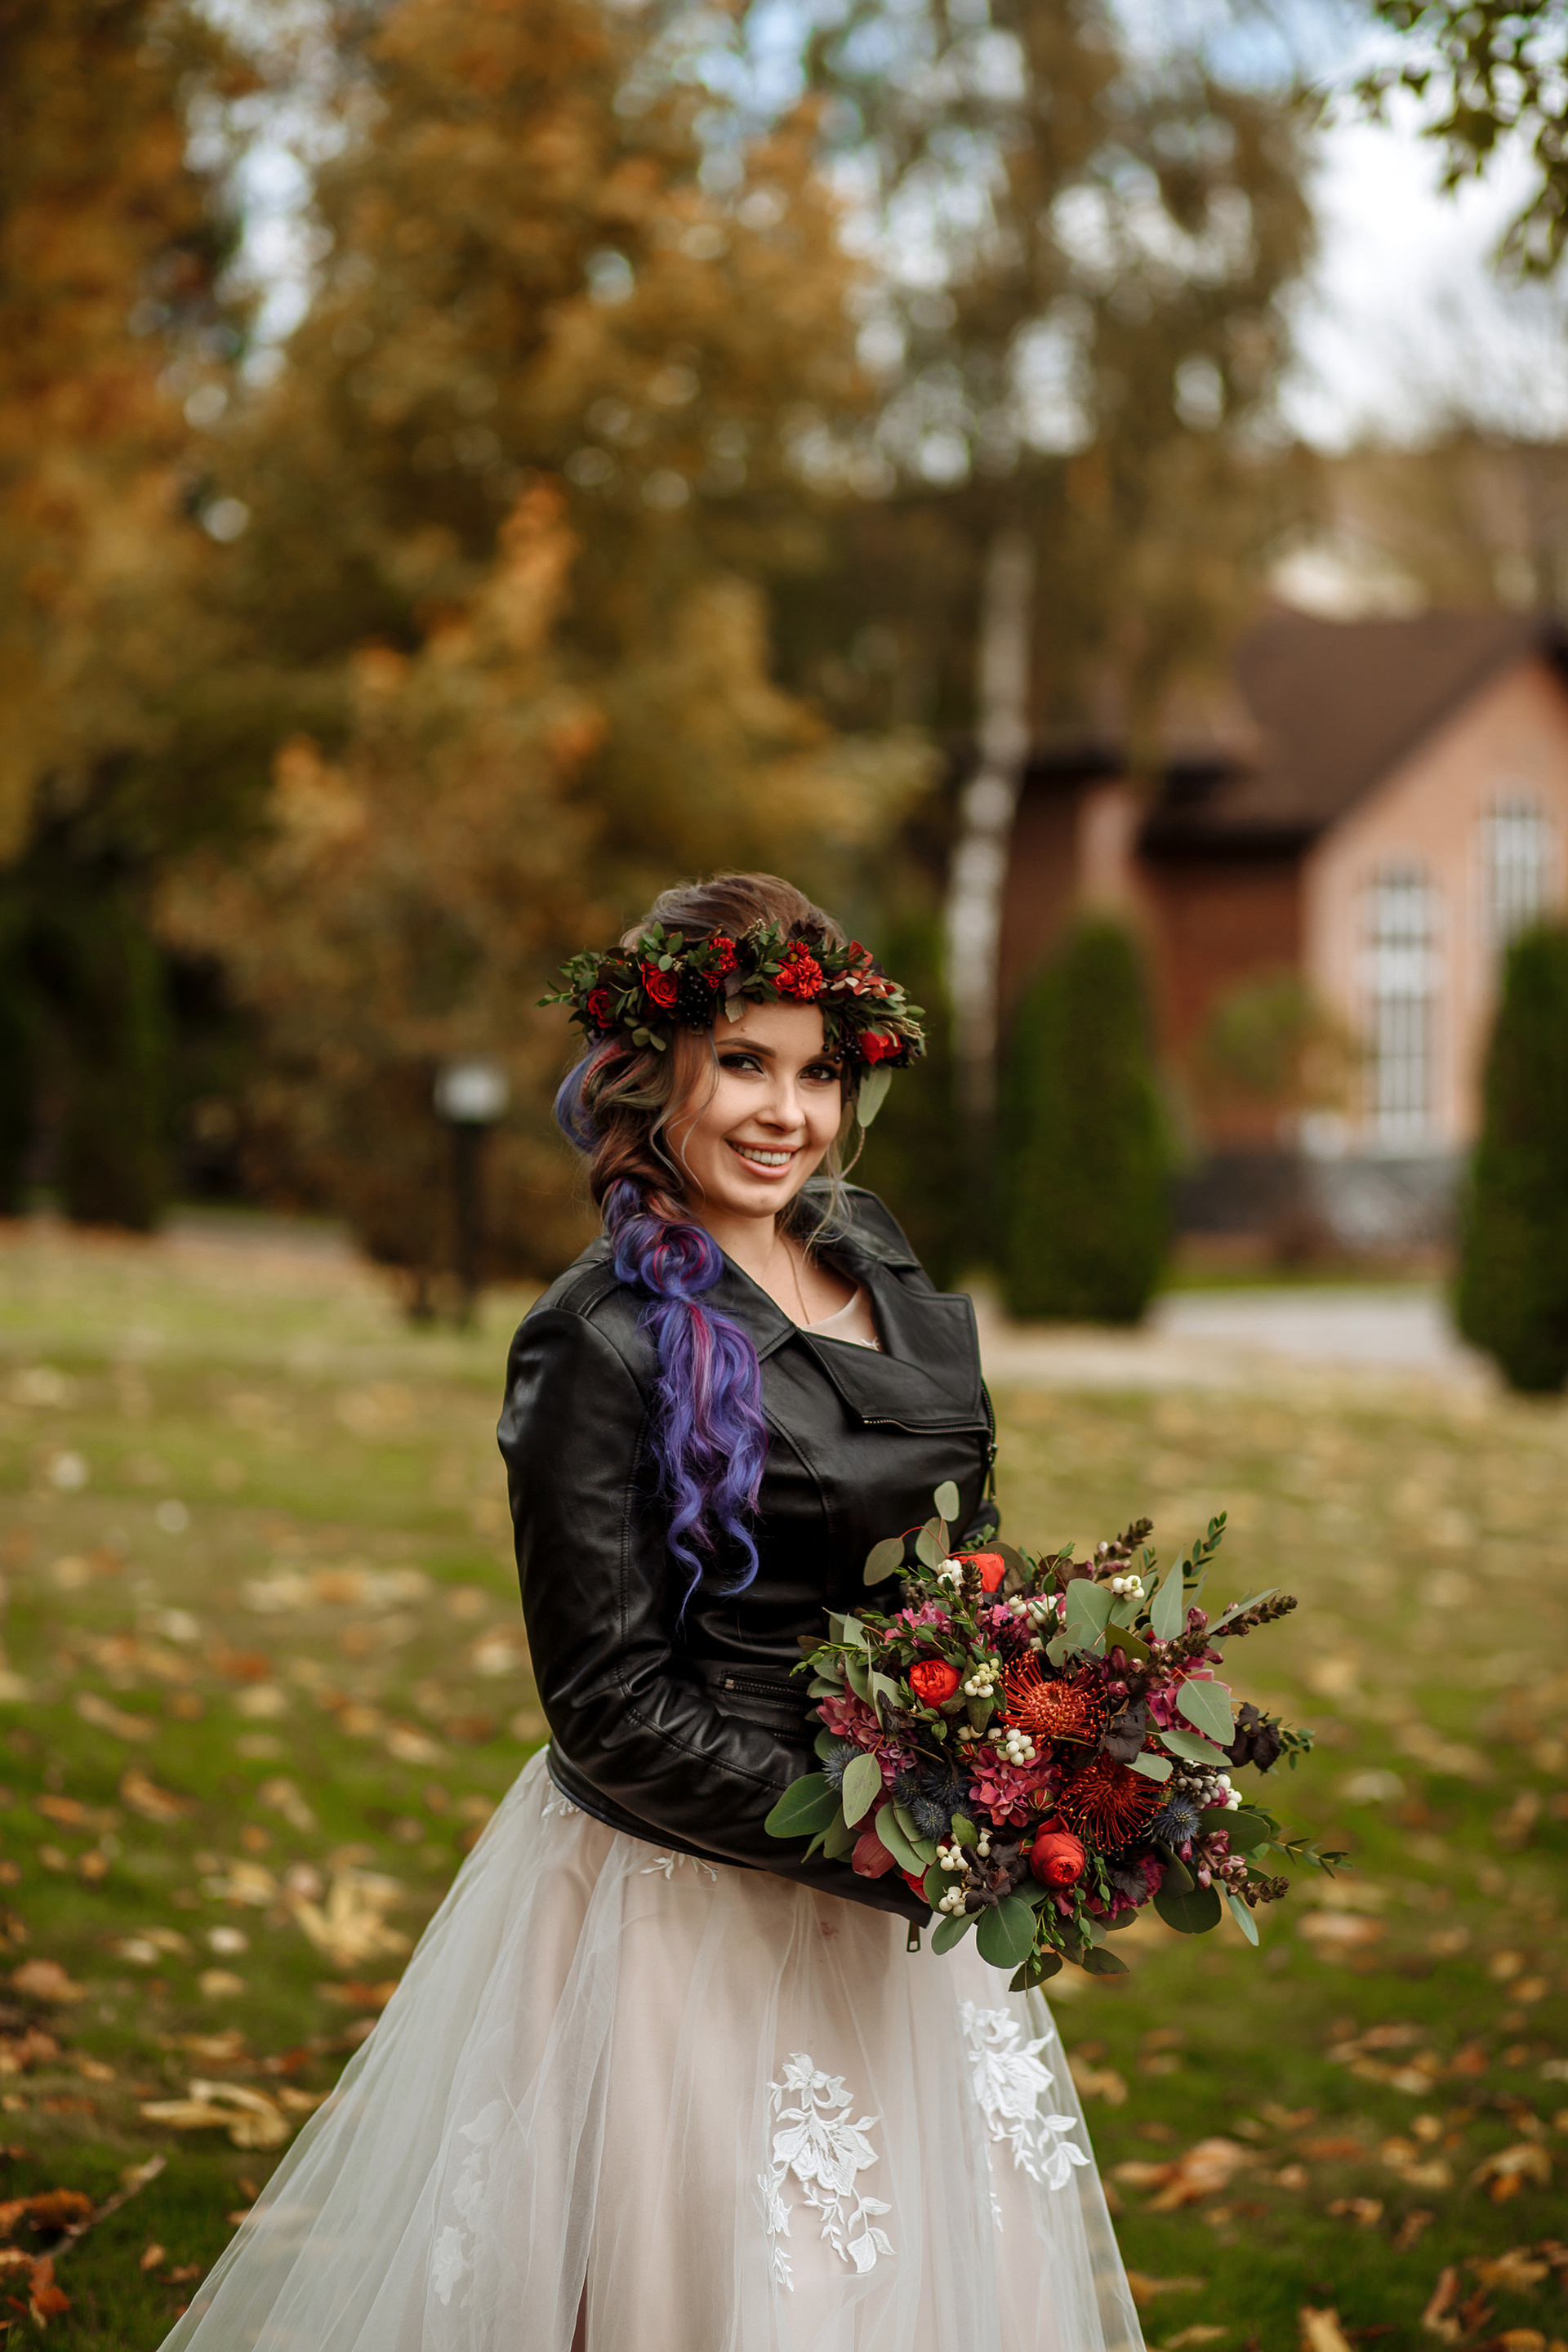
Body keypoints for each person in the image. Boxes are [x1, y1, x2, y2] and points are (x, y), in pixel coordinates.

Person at [160, 873, 1143, 2352]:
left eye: (818, 1073)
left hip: (905, 1893)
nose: (786, 1114)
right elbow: (608, 1704)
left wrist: (1035, 1743)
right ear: (652, 1071)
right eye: (743, 1062)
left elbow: (964, 1558)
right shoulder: (600, 1335)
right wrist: (879, 1835)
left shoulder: (879, 1260)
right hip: (694, 1909)